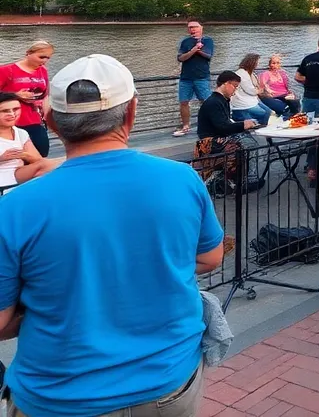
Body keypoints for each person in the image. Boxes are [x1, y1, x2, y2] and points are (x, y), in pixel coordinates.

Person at [0, 54, 224, 416]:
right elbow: (211, 257)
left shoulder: (15, 207)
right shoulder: (181, 179)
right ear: (132, 113)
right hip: (167, 385)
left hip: (59, 397)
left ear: (52, 122)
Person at [195, 70, 258, 189]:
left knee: (247, 139)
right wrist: (243, 125)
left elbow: (225, 124)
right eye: (234, 86)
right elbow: (222, 127)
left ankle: (243, 179)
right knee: (249, 143)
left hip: (217, 137)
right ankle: (246, 180)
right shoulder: (214, 102)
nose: (235, 90)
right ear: (226, 84)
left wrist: (242, 126)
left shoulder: (221, 100)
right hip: (209, 141)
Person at [0, 40, 54, 156]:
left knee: (42, 155)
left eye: (48, 58)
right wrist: (16, 95)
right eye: (41, 57)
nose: (44, 61)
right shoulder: (7, 71)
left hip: (36, 120)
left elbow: (45, 96)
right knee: (17, 159)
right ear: (28, 53)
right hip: (12, 122)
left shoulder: (43, 71)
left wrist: (48, 116)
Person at [173, 20, 214, 137]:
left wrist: (198, 50)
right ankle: (185, 126)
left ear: (201, 27)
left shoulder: (208, 40)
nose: (192, 29)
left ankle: (209, 124)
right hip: (185, 78)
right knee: (183, 102)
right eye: (190, 27)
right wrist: (193, 50)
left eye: (195, 27)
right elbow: (180, 58)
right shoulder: (185, 42)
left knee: (206, 101)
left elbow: (208, 56)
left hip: (202, 77)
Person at [0, 93, 46, 188]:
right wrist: (2, 158)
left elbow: (39, 161)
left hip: (19, 179)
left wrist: (25, 155)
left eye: (16, 109)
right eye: (5, 111)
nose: (12, 114)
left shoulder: (21, 133)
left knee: (49, 165)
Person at [231, 53, 272, 127]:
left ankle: (260, 124)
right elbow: (251, 91)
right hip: (242, 103)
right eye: (257, 62)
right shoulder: (242, 74)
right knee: (266, 113)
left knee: (268, 111)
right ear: (252, 62)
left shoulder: (249, 73)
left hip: (251, 100)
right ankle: (261, 127)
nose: (258, 64)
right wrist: (261, 90)